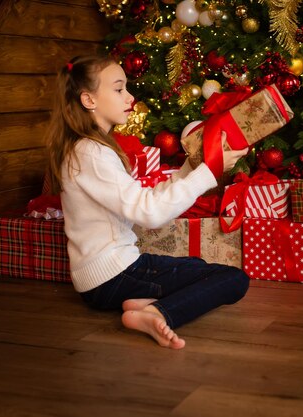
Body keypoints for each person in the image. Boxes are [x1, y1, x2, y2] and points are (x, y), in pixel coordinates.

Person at [45, 54, 250, 349]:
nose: (129, 97)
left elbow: (146, 200)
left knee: (195, 266)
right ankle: (156, 313)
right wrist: (209, 172)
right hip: (115, 275)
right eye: (118, 89)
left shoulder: (87, 149)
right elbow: (150, 213)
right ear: (88, 99)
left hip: (103, 279)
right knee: (233, 279)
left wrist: (193, 168)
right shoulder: (91, 153)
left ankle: (141, 304)